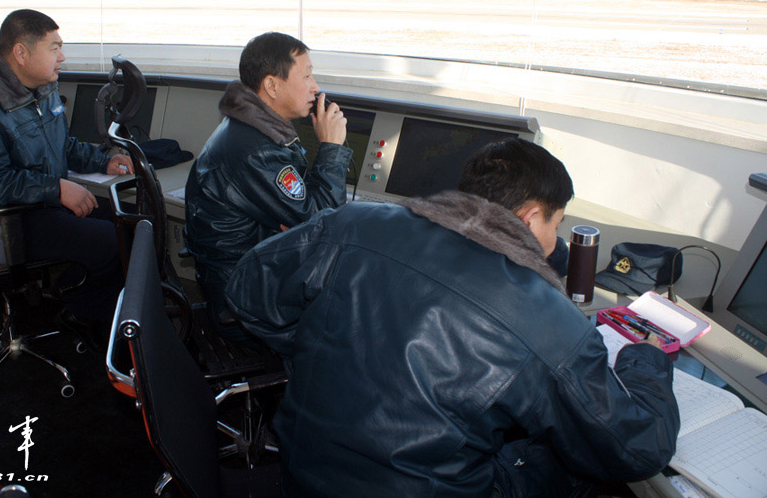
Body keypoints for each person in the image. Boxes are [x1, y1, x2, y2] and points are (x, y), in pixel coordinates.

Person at [225, 138, 680, 497]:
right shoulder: (545, 318)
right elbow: (637, 449)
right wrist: (645, 362)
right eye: (553, 225)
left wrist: (320, 344)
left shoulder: (350, 223)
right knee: (569, 462)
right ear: (528, 217)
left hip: (302, 477)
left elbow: (246, 290)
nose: (550, 245)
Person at [0, 9, 133, 333]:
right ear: (21, 53)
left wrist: (102, 161)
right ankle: (83, 312)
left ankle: (82, 301)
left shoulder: (41, 88)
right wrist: (56, 189)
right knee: (114, 242)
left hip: (41, 206)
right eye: (54, 48)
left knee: (131, 222)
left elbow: (60, 144)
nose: (62, 57)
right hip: (3, 223)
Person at [184, 31, 352, 341]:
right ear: (272, 85)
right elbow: (322, 223)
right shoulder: (257, 151)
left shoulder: (251, 128)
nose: (315, 87)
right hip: (246, 300)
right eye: (307, 76)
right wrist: (331, 148)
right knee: (351, 312)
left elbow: (302, 209)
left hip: (241, 275)